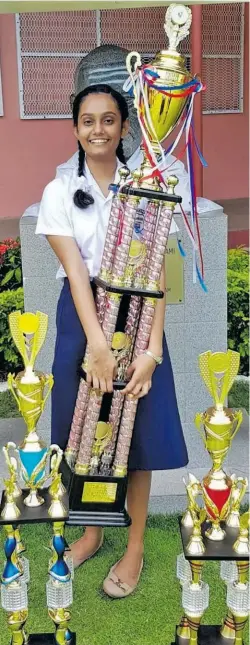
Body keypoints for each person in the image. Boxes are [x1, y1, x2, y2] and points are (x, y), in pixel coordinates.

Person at [36, 80, 188, 600]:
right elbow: (77, 274)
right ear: (75, 129)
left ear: (124, 127)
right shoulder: (58, 192)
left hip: (143, 317)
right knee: (83, 433)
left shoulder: (150, 183)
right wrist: (97, 347)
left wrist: (152, 350)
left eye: (108, 119)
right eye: (87, 120)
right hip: (83, 319)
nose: (98, 129)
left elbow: (161, 270)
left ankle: (136, 546)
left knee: (137, 434)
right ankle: (93, 532)